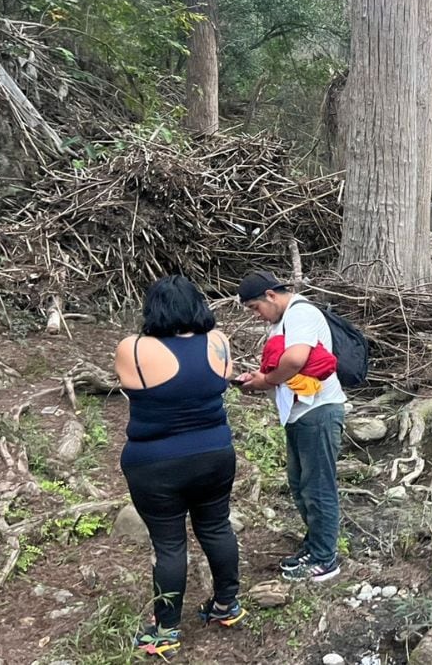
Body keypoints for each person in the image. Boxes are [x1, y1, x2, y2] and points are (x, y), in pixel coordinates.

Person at [114, 275, 247, 659]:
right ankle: (226, 604)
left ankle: (166, 630)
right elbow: (221, 378)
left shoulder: (133, 348)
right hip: (215, 453)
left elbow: (128, 384)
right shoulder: (219, 341)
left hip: (154, 462)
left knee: (169, 544)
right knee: (216, 526)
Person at [236, 270, 345, 582]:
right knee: (300, 485)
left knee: (318, 486)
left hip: (319, 412)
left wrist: (266, 381)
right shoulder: (282, 322)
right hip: (299, 414)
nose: (257, 316)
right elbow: (286, 367)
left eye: (256, 308)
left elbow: (296, 360)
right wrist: (257, 379)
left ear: (271, 295)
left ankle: (326, 558)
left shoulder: (301, 313)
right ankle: (314, 545)